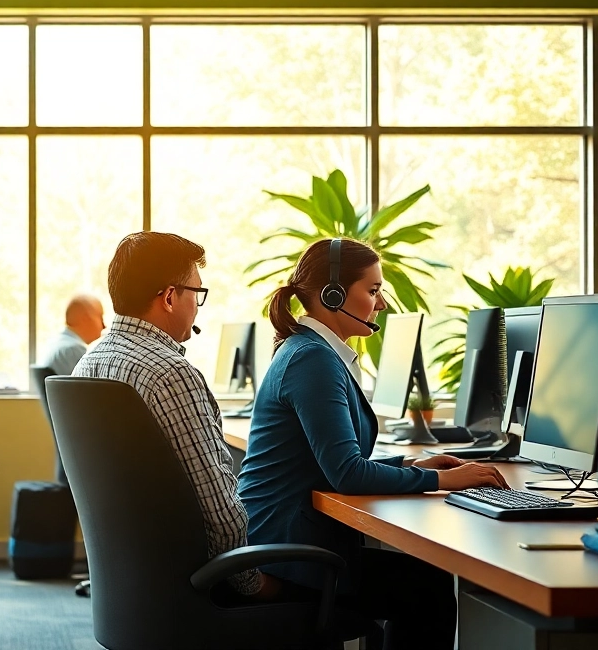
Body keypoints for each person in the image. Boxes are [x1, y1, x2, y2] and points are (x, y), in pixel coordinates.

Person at [237, 237, 508, 649]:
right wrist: (442, 483)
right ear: (333, 295)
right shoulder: (312, 359)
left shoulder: (311, 352)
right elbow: (346, 472)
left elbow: (338, 459)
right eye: (374, 290)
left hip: (287, 541)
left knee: (421, 579)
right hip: (289, 556)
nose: (381, 304)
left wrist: (415, 467)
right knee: (426, 587)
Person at [74, 231, 275, 599]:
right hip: (195, 588)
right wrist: (254, 585)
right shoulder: (170, 375)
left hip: (133, 587)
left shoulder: (88, 363)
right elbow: (221, 515)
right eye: (197, 294)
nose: (198, 306)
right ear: (169, 297)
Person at [39, 293, 106, 376]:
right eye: (100, 317)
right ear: (85, 319)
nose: (104, 326)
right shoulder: (73, 350)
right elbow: (94, 387)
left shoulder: (52, 344)